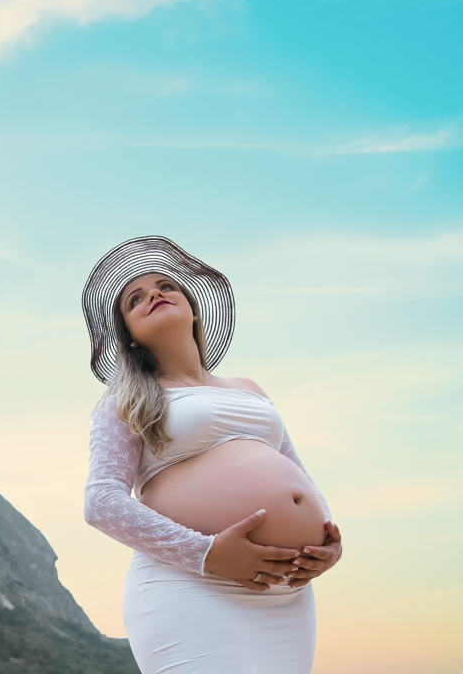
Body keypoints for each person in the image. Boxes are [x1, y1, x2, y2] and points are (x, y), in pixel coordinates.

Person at [81, 236, 342, 674]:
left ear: (194, 308)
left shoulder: (250, 389)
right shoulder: (125, 399)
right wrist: (206, 554)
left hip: (286, 591)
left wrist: (328, 541)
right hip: (190, 583)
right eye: (135, 299)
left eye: (166, 286)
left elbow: (300, 477)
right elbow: (101, 502)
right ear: (128, 338)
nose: (154, 295)